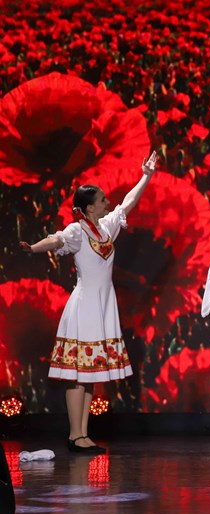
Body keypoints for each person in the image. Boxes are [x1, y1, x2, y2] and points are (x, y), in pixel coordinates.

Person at [20, 151, 159, 453]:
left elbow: (128, 203)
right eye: (102, 199)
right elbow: (56, 240)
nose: (108, 202)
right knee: (77, 375)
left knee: (90, 373)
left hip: (103, 304)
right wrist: (33, 248)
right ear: (89, 207)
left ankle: (83, 434)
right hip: (85, 306)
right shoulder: (77, 231)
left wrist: (146, 176)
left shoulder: (106, 227)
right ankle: (74, 434)